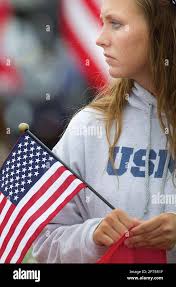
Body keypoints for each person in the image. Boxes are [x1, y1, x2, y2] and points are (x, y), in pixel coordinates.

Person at [32, 0, 176, 263]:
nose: (99, 39)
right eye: (102, 23)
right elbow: (43, 243)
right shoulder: (89, 126)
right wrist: (93, 236)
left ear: (161, 30)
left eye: (116, 24)